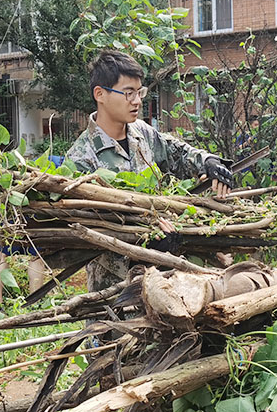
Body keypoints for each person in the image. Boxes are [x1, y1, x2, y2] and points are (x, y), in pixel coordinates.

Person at [66, 50, 234, 292]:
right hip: (114, 292)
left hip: (160, 282)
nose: (137, 100)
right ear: (100, 94)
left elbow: (178, 152)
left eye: (139, 92)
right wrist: (144, 248)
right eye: (128, 93)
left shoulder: (142, 133)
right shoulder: (81, 158)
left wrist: (209, 162)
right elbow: (88, 232)